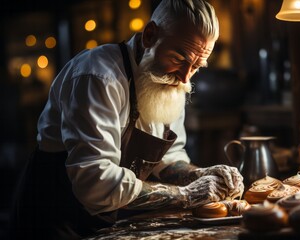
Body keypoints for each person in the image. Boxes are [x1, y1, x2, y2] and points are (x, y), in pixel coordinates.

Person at [11, 0, 244, 239]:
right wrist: (187, 196)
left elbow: (170, 159)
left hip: (107, 222)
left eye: (196, 66)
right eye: (179, 58)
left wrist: (201, 177)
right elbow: (95, 182)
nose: (185, 77)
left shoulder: (173, 80)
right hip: (53, 218)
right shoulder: (98, 76)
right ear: (150, 35)